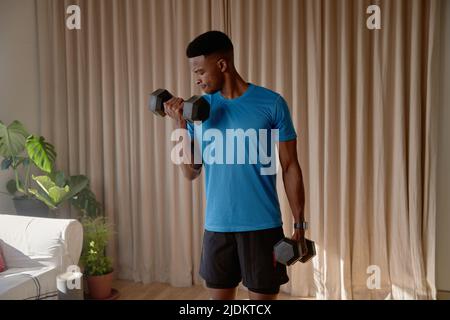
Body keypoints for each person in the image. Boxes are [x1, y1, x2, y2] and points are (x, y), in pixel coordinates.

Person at [164, 31, 308, 300]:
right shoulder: (199, 110)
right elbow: (190, 171)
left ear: (222, 65)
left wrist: (299, 224)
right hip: (218, 227)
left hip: (263, 227)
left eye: (200, 72)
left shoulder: (271, 103)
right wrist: (180, 125)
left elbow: (290, 166)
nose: (196, 80)